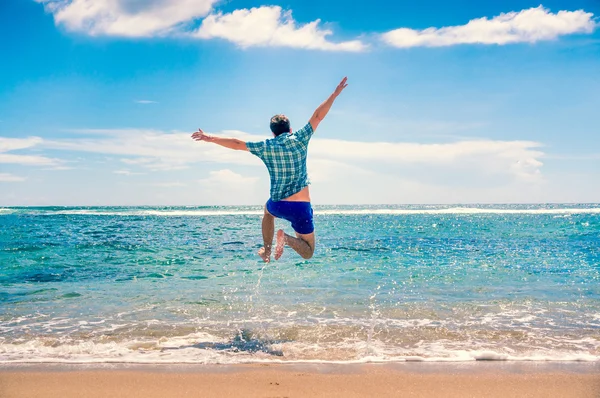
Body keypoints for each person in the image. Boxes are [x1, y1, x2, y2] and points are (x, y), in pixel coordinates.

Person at [192, 77, 348, 263]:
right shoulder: (300, 138)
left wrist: (210, 138)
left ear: (273, 133)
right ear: (289, 129)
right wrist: (335, 94)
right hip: (301, 207)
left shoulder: (266, 146)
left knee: (267, 212)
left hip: (279, 205)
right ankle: (287, 239)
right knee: (308, 251)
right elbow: (318, 116)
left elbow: (236, 143)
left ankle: (266, 251)